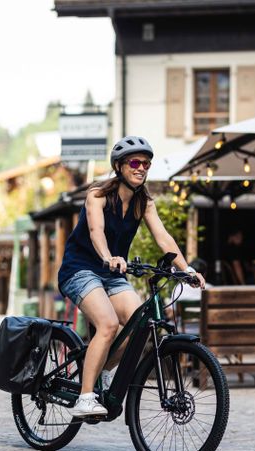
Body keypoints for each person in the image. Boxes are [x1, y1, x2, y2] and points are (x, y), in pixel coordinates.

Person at [57, 135, 206, 418]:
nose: (141, 168)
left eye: (146, 164)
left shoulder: (143, 203)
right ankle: (85, 396)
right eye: (135, 162)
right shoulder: (97, 195)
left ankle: (97, 369)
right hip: (80, 269)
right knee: (108, 323)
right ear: (119, 166)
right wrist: (107, 256)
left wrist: (185, 270)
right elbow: (96, 232)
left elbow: (163, 237)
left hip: (112, 275)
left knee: (139, 324)